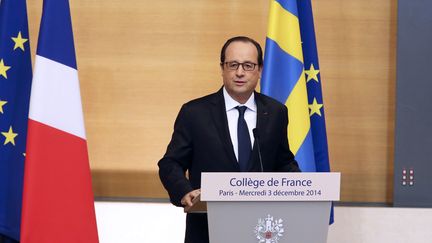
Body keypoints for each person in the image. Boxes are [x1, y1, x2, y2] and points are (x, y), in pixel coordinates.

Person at [158, 36, 301, 243]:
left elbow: (283, 161)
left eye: (248, 65)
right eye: (233, 65)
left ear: (260, 70)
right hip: (208, 228)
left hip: (260, 229)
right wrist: (185, 191)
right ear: (222, 68)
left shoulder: (276, 112)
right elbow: (170, 163)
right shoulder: (194, 112)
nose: (240, 72)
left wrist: (303, 187)